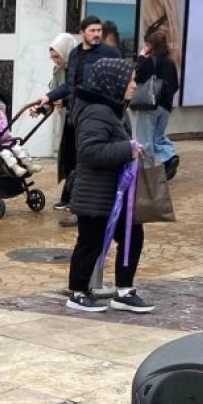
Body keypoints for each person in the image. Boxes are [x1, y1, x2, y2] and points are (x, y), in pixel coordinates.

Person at [65, 57, 155, 314]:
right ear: (113, 82)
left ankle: (124, 291)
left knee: (132, 236)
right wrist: (127, 149)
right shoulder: (97, 112)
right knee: (90, 242)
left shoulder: (113, 109)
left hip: (115, 192)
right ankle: (78, 292)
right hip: (96, 193)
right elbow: (90, 150)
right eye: (130, 80)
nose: (133, 85)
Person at [34, 16, 121, 225]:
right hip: (77, 119)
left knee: (90, 164)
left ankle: (86, 210)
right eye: (92, 30)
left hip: (99, 118)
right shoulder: (74, 55)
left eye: (99, 30)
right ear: (82, 32)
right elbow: (70, 86)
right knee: (80, 164)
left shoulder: (110, 54)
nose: (97, 34)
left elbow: (118, 83)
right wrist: (49, 97)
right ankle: (80, 208)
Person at [131, 28, 180, 180]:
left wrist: (140, 58)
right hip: (165, 107)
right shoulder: (170, 63)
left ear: (151, 45)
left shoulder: (148, 62)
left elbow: (135, 75)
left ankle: (147, 174)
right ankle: (169, 157)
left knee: (145, 140)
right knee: (157, 138)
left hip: (149, 106)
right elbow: (175, 85)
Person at [0, 97, 40, 177]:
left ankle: (29, 164)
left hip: (8, 141)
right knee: (6, 154)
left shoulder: (1, 119)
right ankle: (15, 168)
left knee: (19, 149)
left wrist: (1, 118)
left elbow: (5, 129)